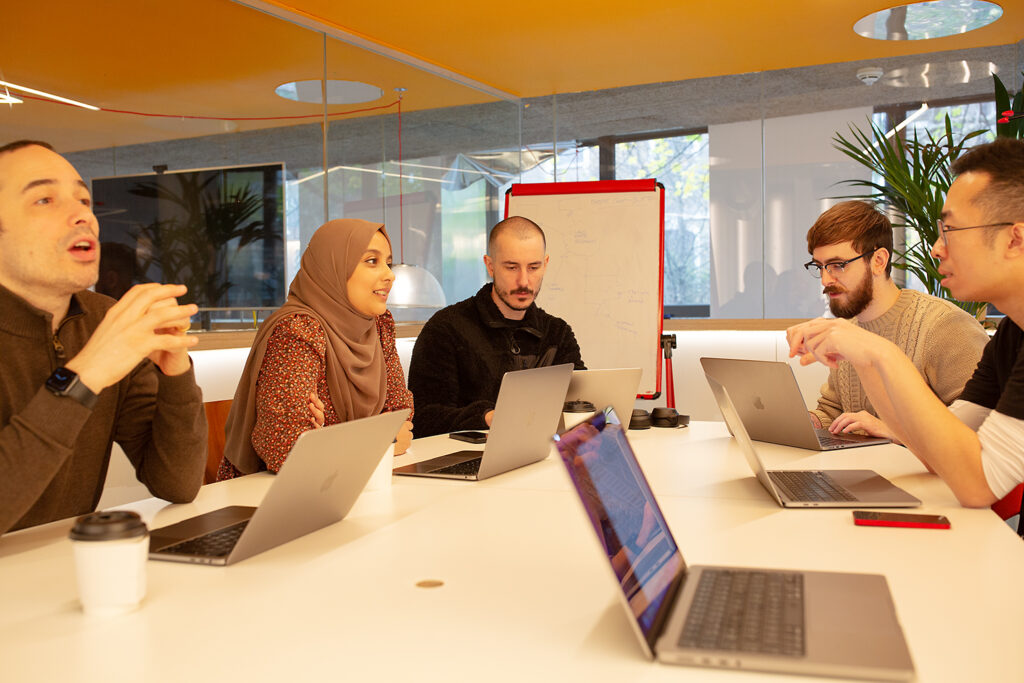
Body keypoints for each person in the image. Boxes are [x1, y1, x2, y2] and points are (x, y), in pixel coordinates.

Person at [787, 138, 1024, 508]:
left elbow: (979, 485)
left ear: (1015, 238)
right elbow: (935, 454)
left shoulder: (945, 323)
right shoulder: (1013, 334)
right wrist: (868, 360)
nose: (935, 248)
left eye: (951, 231)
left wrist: (881, 354)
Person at [0, 140, 207, 535]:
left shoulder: (103, 318)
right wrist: (86, 373)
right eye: (45, 200)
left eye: (83, 199)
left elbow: (176, 483)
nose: (82, 216)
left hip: (68, 569)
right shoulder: (108, 335)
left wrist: (176, 371)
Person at [219, 219, 413, 478]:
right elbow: (288, 450)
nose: (390, 275)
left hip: (355, 482)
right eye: (371, 261)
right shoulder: (298, 331)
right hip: (270, 498)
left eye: (388, 263)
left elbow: (401, 417)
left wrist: (332, 440)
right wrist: (381, 440)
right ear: (332, 267)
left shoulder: (379, 326)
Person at [800, 200, 988, 441]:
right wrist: (796, 420)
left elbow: (978, 428)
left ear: (879, 261)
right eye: (820, 266)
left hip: (929, 478)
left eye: (838, 265)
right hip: (869, 472)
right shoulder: (849, 331)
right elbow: (833, 412)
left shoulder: (944, 325)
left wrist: (891, 430)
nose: (825, 279)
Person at [408, 215, 585, 437]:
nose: (523, 281)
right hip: (467, 461)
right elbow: (423, 417)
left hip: (541, 456)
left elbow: (580, 401)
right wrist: (485, 417)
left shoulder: (558, 333)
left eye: (533, 267)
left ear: (545, 264)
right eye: (511, 267)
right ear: (490, 266)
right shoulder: (445, 328)